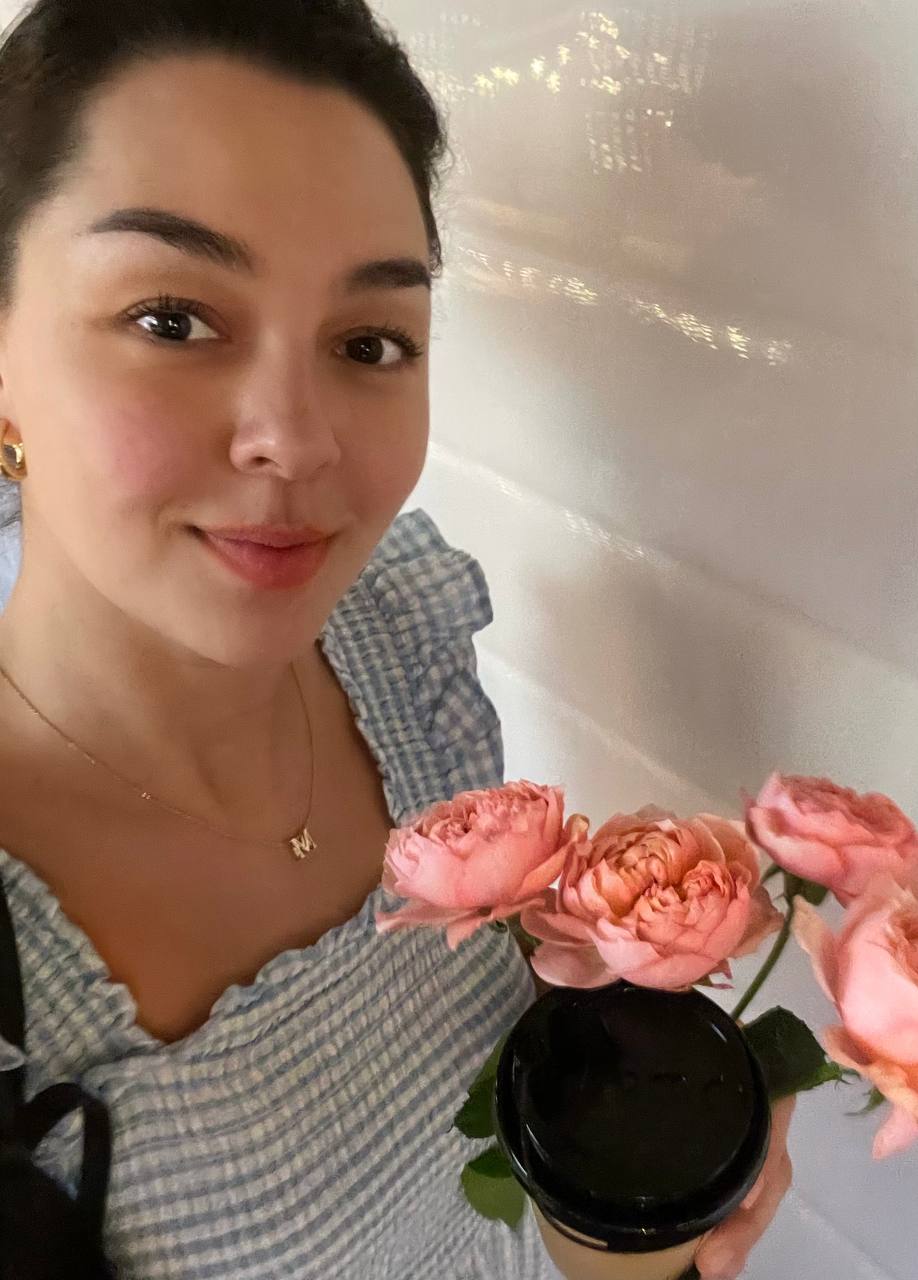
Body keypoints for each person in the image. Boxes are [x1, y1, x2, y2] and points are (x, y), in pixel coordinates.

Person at [0, 1, 793, 1276]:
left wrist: (620, 1196)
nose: (297, 439)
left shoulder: (391, 633)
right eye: (172, 318)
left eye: (369, 341)